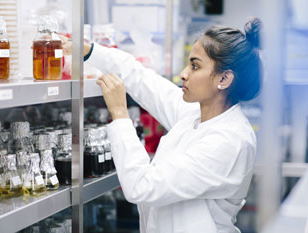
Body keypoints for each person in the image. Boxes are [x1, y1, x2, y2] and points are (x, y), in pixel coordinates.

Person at [84, 18, 263, 233]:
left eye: (195, 66)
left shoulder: (228, 141)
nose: (184, 74)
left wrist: (121, 114)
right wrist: (89, 51)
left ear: (224, 79)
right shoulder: (196, 115)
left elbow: (142, 187)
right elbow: (143, 80)